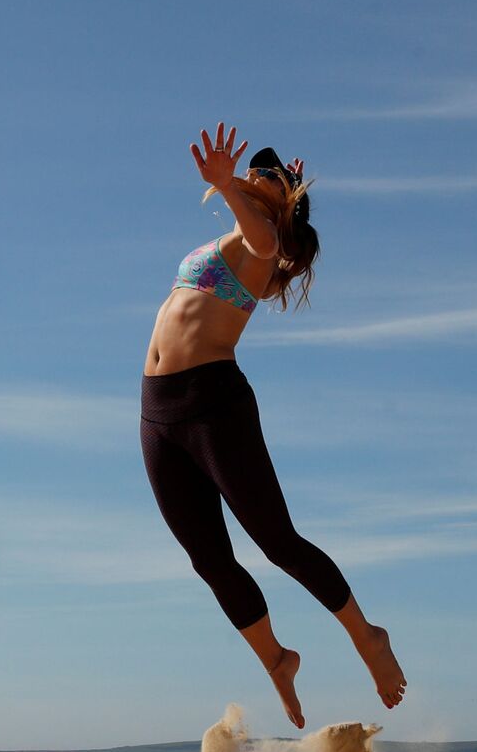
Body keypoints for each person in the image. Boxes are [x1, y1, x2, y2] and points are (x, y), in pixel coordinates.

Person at [142, 123, 406, 729]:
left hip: (213, 403)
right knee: (208, 558)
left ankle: (367, 636)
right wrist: (244, 188)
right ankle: (277, 660)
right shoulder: (238, 233)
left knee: (277, 541)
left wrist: (231, 185)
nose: (253, 171)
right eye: (255, 169)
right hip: (157, 409)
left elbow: (265, 242)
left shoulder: (259, 243)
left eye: (267, 172)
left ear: (280, 196)